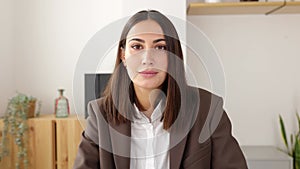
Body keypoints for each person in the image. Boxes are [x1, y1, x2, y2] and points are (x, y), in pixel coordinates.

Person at [73, 10, 248, 169]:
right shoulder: (100, 114)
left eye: (160, 47)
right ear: (123, 56)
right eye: (137, 47)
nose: (147, 59)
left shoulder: (208, 109)